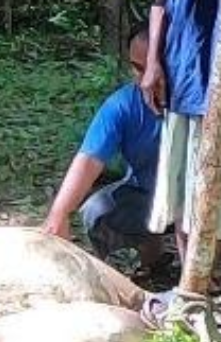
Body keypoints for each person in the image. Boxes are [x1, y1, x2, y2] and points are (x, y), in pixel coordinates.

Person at [141, 0, 221, 291]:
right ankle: (190, 278)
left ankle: (201, 275)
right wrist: (152, 61)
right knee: (181, 180)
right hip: (185, 60)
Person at [41, 29, 166, 274]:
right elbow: (89, 159)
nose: (144, 79)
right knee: (97, 210)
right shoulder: (122, 105)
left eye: (150, 68)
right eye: (136, 68)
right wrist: (59, 214)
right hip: (145, 198)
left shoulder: (198, 103)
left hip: (196, 203)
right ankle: (142, 261)